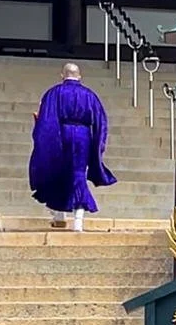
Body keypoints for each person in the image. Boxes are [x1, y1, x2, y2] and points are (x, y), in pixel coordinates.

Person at [28, 62, 116, 231]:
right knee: (78, 173)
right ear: (79, 76)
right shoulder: (89, 95)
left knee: (57, 170)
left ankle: (59, 214)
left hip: (60, 133)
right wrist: (98, 145)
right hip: (83, 136)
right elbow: (101, 123)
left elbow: (46, 120)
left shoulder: (54, 93)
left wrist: (41, 135)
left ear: (62, 75)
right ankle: (78, 219)